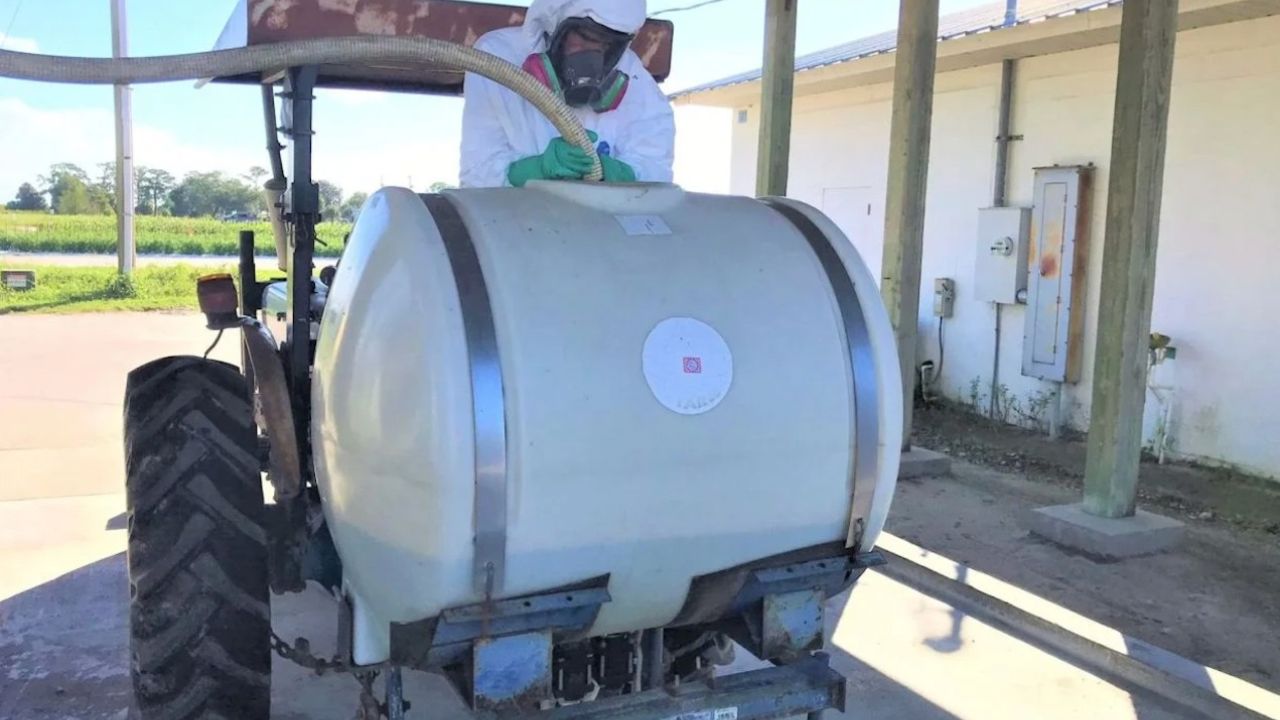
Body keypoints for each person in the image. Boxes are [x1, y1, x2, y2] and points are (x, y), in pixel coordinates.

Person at [460, 0, 675, 188]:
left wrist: (622, 174)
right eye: (585, 37)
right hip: (519, 224)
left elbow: (656, 174)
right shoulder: (497, 58)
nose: (594, 56)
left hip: (597, 226)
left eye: (608, 44)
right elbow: (476, 177)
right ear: (556, 23)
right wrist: (533, 170)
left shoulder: (636, 81)